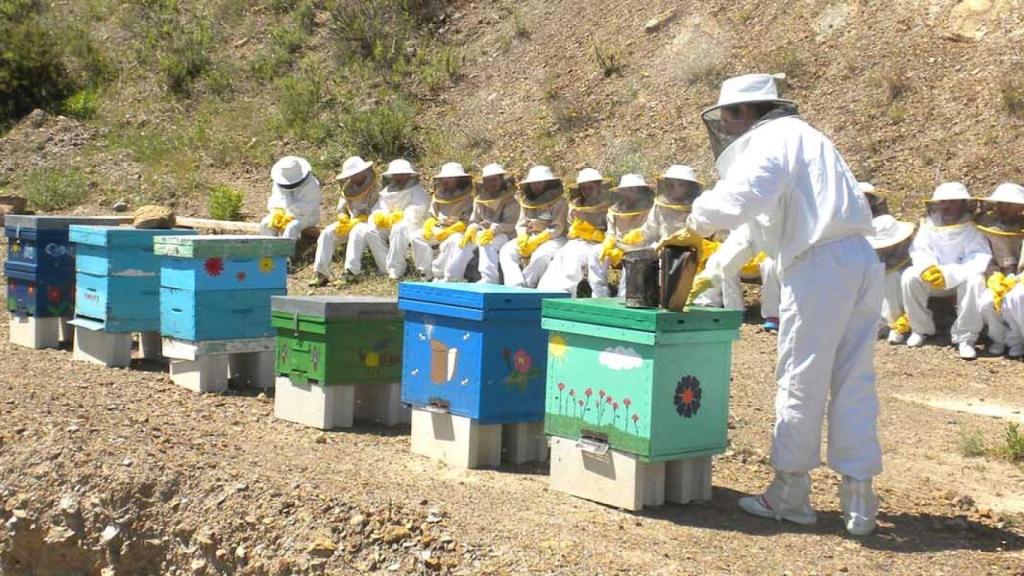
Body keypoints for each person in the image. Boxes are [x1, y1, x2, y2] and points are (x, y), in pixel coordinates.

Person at [684, 73, 883, 536]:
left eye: (728, 118)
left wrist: (696, 220)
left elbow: (740, 201)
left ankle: (790, 494)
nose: (726, 129)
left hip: (818, 267)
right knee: (854, 378)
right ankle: (859, 500)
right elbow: (758, 225)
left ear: (745, 112)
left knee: (800, 376)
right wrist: (717, 266)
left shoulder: (771, 140)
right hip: (860, 260)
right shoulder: (807, 139)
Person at [901, 182, 990, 360]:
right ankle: (920, 329)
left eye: (952, 202)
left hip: (961, 279)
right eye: (943, 202)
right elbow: (920, 251)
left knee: (975, 280)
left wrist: (949, 274)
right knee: (909, 276)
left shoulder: (972, 228)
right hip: (934, 279)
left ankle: (965, 337)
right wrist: (928, 268)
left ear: (963, 203)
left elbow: (978, 258)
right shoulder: (928, 225)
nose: (946, 206)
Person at [537, 168, 611, 295]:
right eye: (584, 188)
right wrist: (574, 226)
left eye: (590, 188)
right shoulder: (577, 205)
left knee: (574, 259)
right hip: (577, 242)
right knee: (560, 256)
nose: (586, 192)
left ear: (599, 186)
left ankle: (566, 294)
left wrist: (588, 224)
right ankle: (544, 292)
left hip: (596, 244)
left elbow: (610, 233)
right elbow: (570, 228)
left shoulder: (608, 207)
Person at [311, 156, 380, 285]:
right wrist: (342, 217)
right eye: (351, 175)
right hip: (351, 222)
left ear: (363, 172)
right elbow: (341, 208)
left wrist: (364, 218)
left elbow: (379, 210)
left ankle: (352, 272)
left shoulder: (376, 188)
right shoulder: (348, 189)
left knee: (356, 232)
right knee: (327, 232)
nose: (353, 177)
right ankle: (321, 273)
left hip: (370, 225)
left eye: (355, 174)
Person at [446, 163, 519, 283]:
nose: (492, 183)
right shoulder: (480, 199)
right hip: (483, 232)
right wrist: (472, 227)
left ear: (502, 180)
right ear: (484, 182)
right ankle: (452, 278)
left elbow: (511, 225)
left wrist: (494, 229)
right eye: (488, 180)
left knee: (486, 241)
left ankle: (489, 278)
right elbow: (474, 219)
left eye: (495, 179)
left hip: (506, 235)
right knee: (464, 242)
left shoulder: (510, 201)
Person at [587, 174, 656, 298]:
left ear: (641, 191)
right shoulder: (615, 209)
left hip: (641, 247)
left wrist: (639, 235)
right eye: (625, 190)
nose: (628, 194)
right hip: (618, 245)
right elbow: (611, 231)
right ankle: (599, 295)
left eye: (632, 190)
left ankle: (624, 297)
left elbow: (652, 232)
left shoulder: (652, 209)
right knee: (595, 253)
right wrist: (609, 242)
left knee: (634, 258)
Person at [975, 183, 1024, 357]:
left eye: (1009, 204)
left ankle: (1017, 340)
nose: (1004, 208)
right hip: (997, 276)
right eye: (1001, 203)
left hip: (1020, 278)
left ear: (1019, 207)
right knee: (987, 302)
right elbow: (983, 254)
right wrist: (993, 274)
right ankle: (999, 339)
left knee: (1015, 299)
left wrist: (1017, 278)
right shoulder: (987, 227)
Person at [499, 166, 568, 288]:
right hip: (531, 236)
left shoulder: (560, 202)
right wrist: (522, 237)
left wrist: (541, 236)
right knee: (507, 250)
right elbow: (521, 224)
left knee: (541, 256)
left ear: (548, 183)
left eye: (540, 183)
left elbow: (558, 227)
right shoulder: (526, 201)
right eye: (534, 183)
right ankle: (515, 285)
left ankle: (527, 286)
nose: (536, 186)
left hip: (554, 239)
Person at [368, 159, 430, 280]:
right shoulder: (387, 191)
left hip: (413, 224)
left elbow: (419, 208)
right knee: (371, 231)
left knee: (399, 228)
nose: (399, 177)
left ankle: (397, 269)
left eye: (402, 174)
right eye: (396, 174)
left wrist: (401, 216)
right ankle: (385, 267)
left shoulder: (416, 190)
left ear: (409, 175)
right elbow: (379, 208)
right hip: (390, 223)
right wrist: (381, 216)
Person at [411, 162, 474, 281]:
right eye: (445, 178)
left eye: (450, 178)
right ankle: (425, 273)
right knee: (416, 237)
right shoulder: (439, 194)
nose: (446, 180)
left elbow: (467, 220)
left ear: (458, 179)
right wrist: (429, 225)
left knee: (454, 241)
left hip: (457, 231)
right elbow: (432, 215)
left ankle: (439, 273)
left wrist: (450, 230)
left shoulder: (469, 198)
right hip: (439, 228)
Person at [260, 155, 321, 240]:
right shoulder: (279, 182)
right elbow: (276, 199)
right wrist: (277, 211)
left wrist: (292, 214)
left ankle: (286, 248)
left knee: (291, 227)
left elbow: (309, 206)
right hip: (283, 213)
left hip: (306, 216)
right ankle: (268, 248)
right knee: (265, 224)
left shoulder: (311, 185)